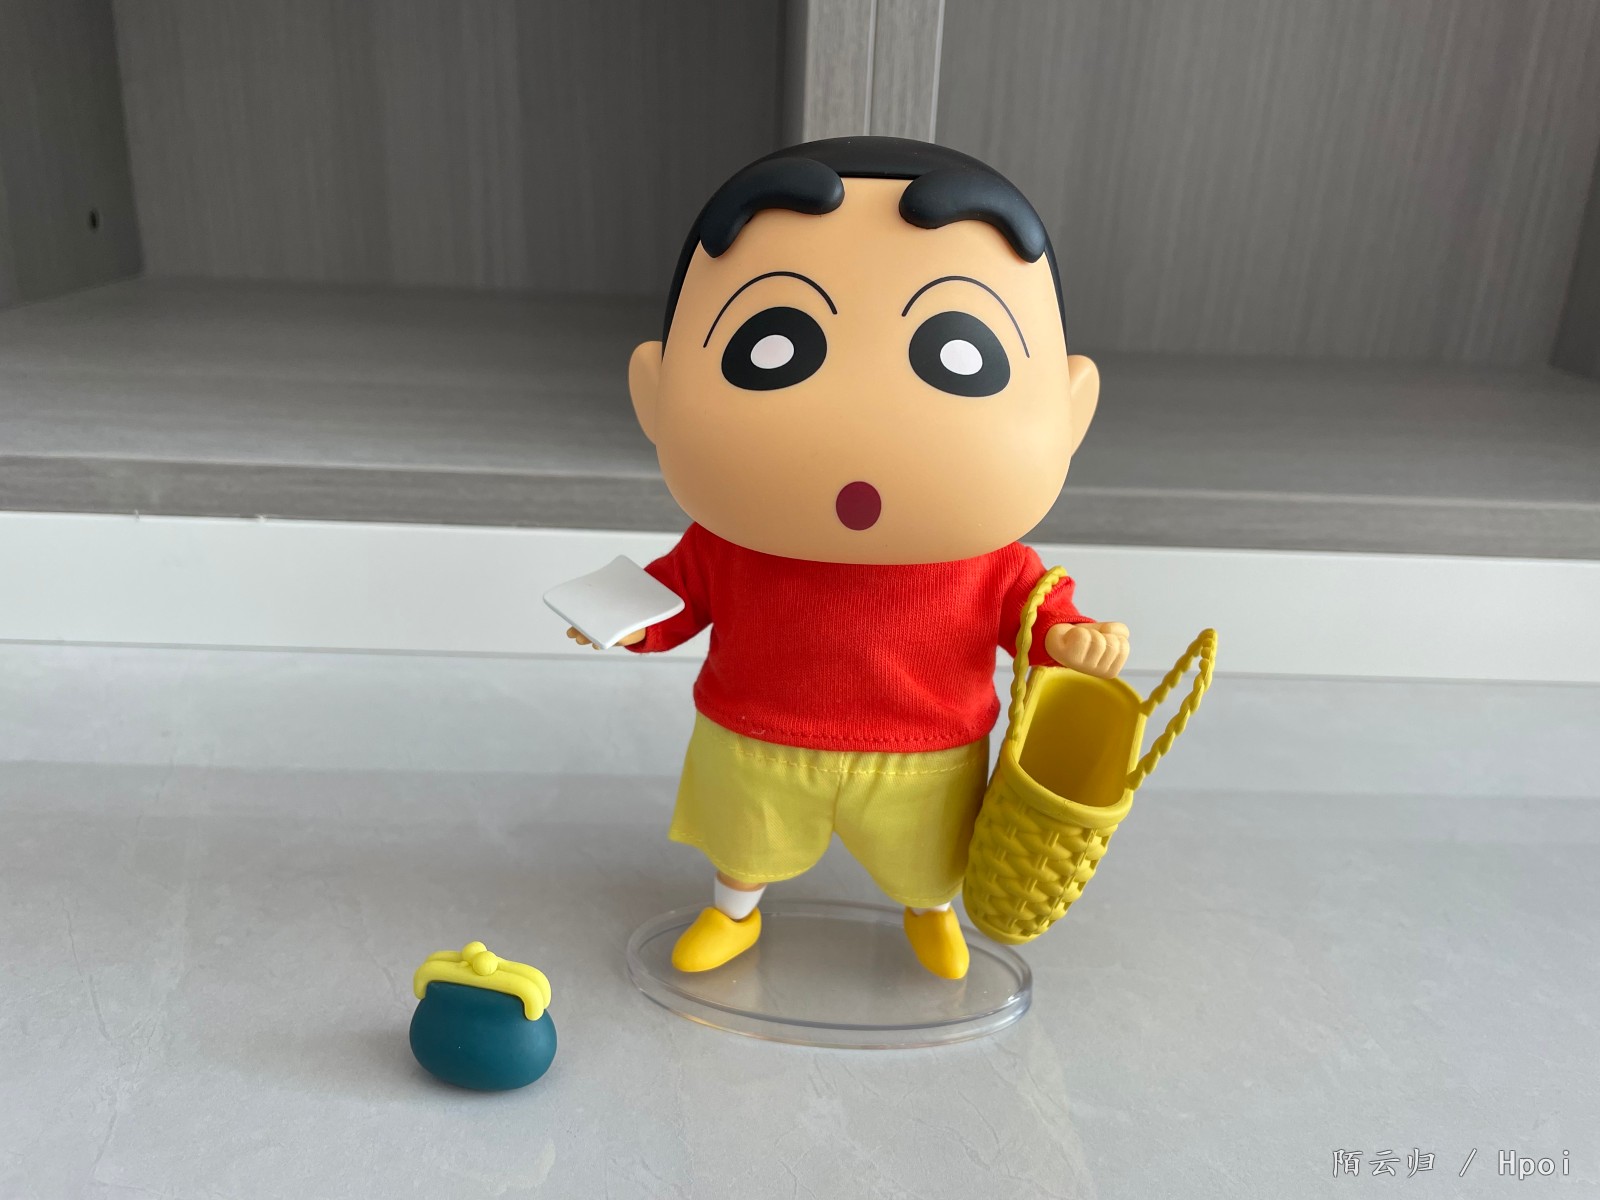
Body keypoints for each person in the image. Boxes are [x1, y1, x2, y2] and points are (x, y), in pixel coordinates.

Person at [566, 136, 1128, 980]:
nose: (861, 423)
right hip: (756, 733)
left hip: (927, 748)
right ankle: (735, 911)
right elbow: (676, 595)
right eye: (773, 347)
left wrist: (1071, 641)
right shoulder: (728, 545)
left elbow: (1038, 613)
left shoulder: (990, 562)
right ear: (655, 390)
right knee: (745, 839)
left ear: (1071, 410)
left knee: (926, 853)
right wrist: (620, 623)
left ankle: (929, 912)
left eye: (959, 356)